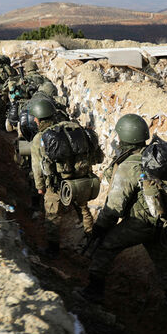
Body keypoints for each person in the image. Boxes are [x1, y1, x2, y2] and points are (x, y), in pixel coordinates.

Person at [83, 114, 167, 306]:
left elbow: (114, 208)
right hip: (163, 221)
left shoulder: (130, 165)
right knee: (162, 260)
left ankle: (94, 291)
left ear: (124, 138)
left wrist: (100, 228)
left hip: (140, 223)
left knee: (105, 247)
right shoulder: (155, 155)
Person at [30, 100, 101, 254]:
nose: (34, 120)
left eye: (35, 118)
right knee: (83, 209)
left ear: (39, 119)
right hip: (80, 180)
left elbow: (37, 168)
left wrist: (40, 188)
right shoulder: (73, 128)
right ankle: (92, 241)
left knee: (52, 215)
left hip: (57, 185)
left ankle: (53, 250)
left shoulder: (39, 138)